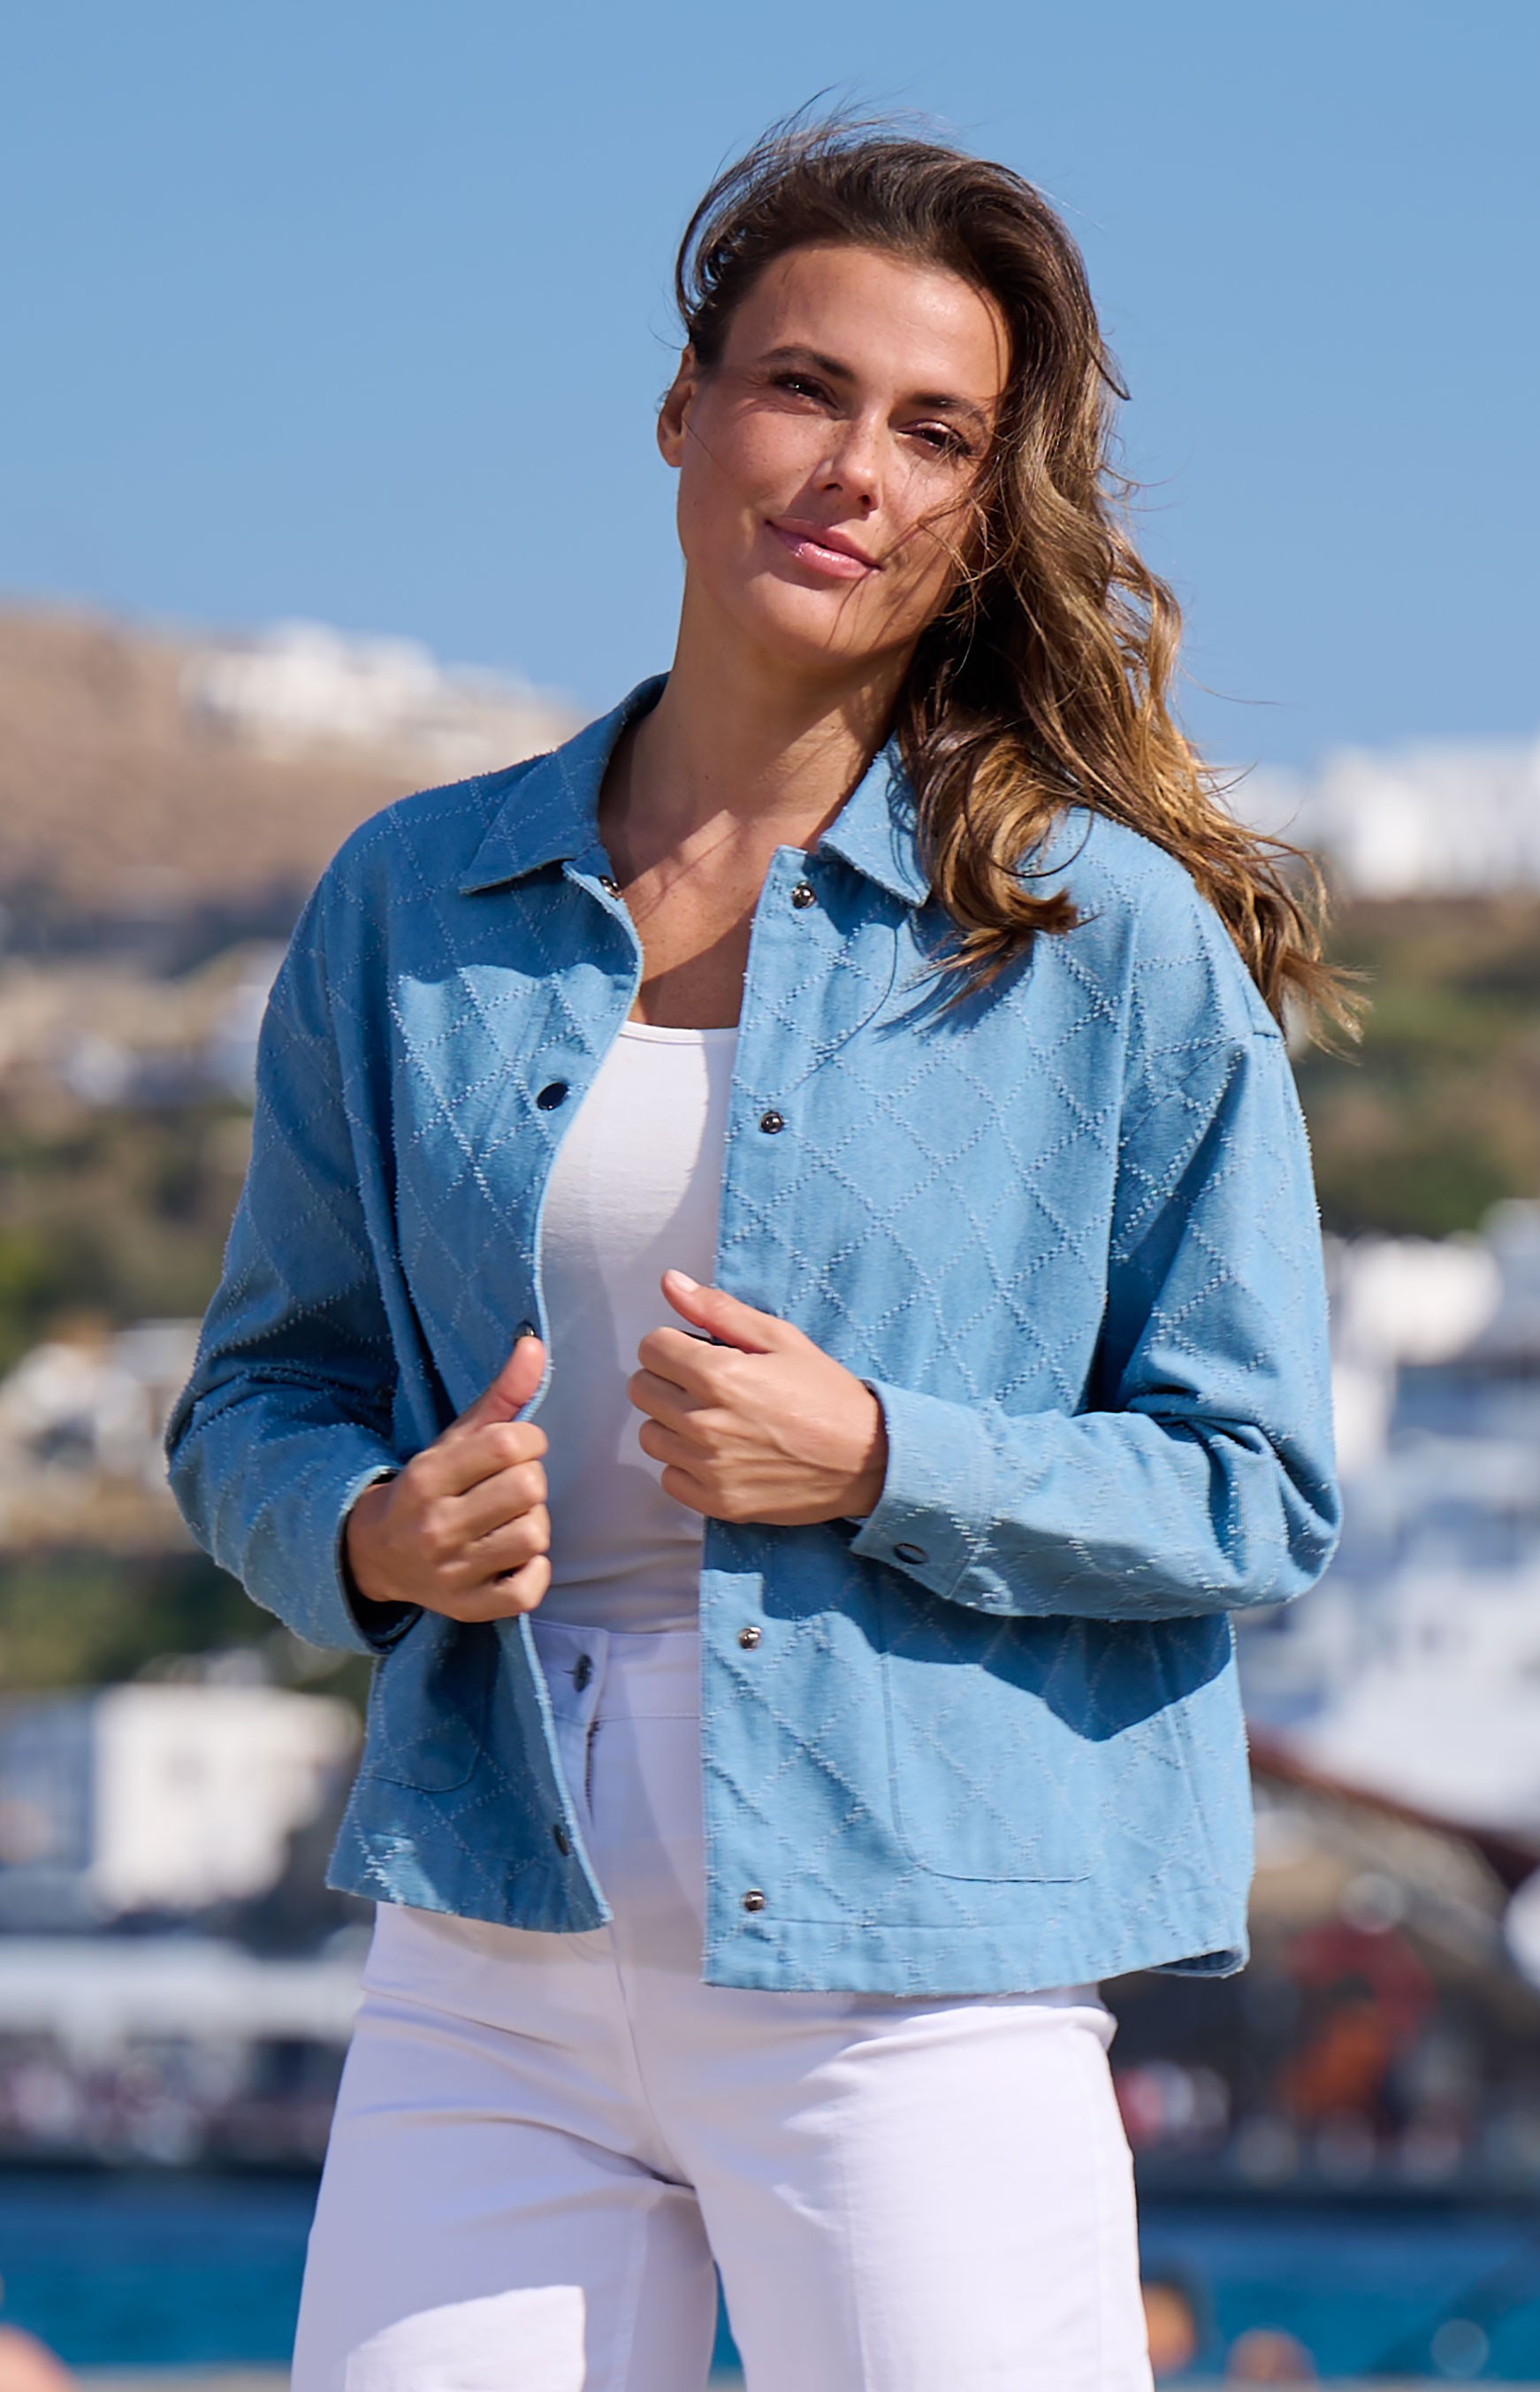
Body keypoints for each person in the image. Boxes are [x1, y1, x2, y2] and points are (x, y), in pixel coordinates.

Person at [167, 117, 1345, 2392]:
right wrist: (372, 1531)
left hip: (922, 1961)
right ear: (683, 411)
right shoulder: (412, 900)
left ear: (985, 505)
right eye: (804, 388)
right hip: (492, 1935)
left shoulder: (1103, 942)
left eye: (938, 433)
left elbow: (1255, 1485)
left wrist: (881, 1454)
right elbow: (255, 1397)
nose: (855, 473)